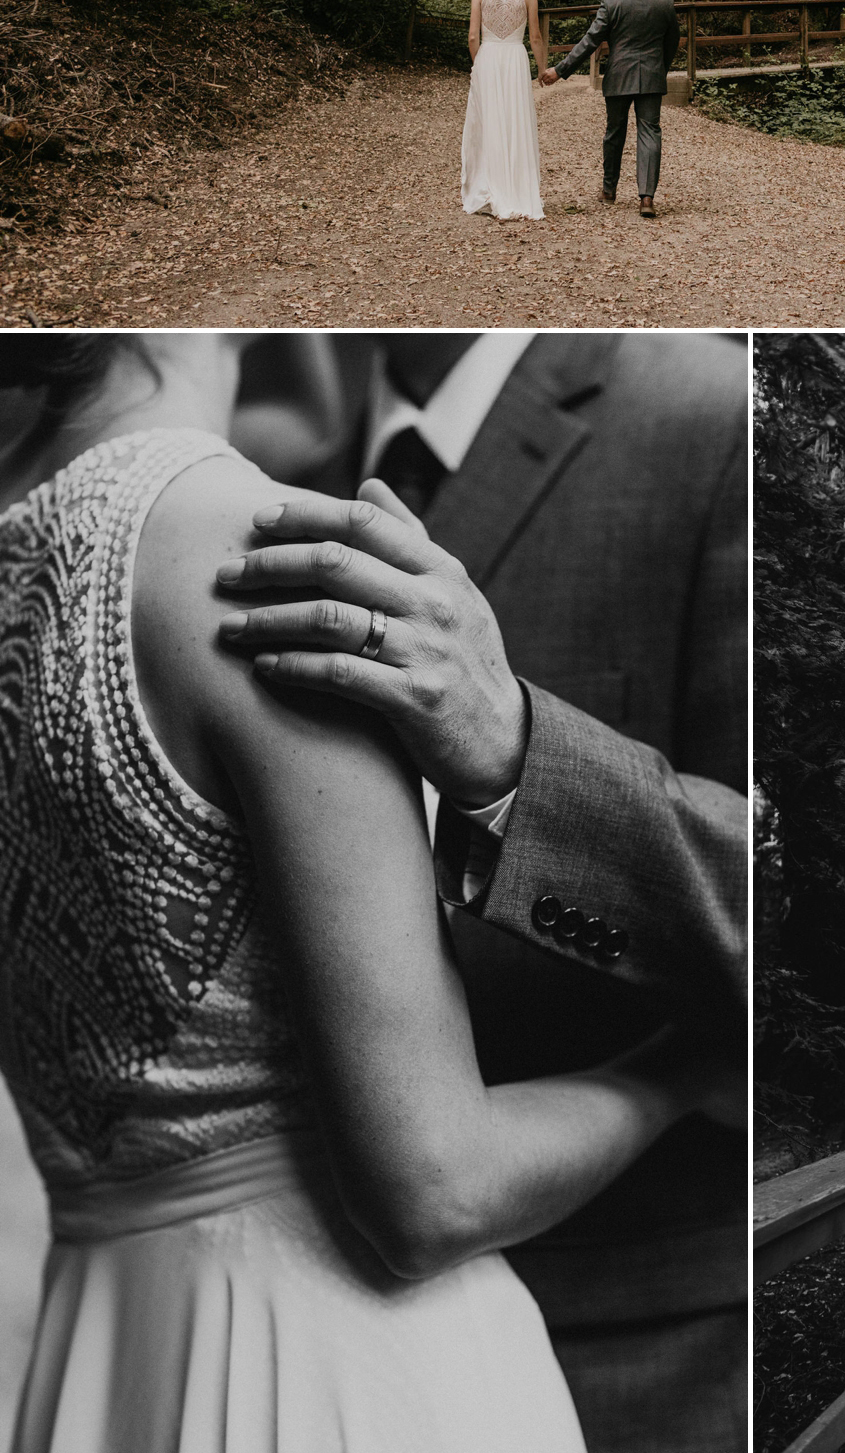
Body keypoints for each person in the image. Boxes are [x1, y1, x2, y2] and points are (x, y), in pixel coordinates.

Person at [0, 332, 734, 1453]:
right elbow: (434, 1186)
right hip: (349, 1364)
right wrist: (681, 1074)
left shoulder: (706, 411)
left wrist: (520, 744)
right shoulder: (244, 531)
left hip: (112, 1346)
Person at [215, 331, 748, 1453]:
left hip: (641, 1337)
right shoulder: (251, 459)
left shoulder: (705, 415)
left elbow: (789, 906)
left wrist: (515, 749)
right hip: (301, 1353)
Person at [540, 0, 679, 217]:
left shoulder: (612, 1)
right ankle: (647, 198)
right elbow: (672, 42)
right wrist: (660, 68)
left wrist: (560, 70)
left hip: (618, 76)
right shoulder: (665, 2)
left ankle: (609, 191)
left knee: (614, 132)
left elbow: (590, 41)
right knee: (650, 133)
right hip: (651, 76)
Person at [461, 0, 548, 221]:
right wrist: (542, 70)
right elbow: (535, 37)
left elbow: (473, 37)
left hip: (488, 57)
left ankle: (487, 187)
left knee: (488, 122)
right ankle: (516, 189)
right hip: (514, 59)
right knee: (514, 120)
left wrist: (479, 65)